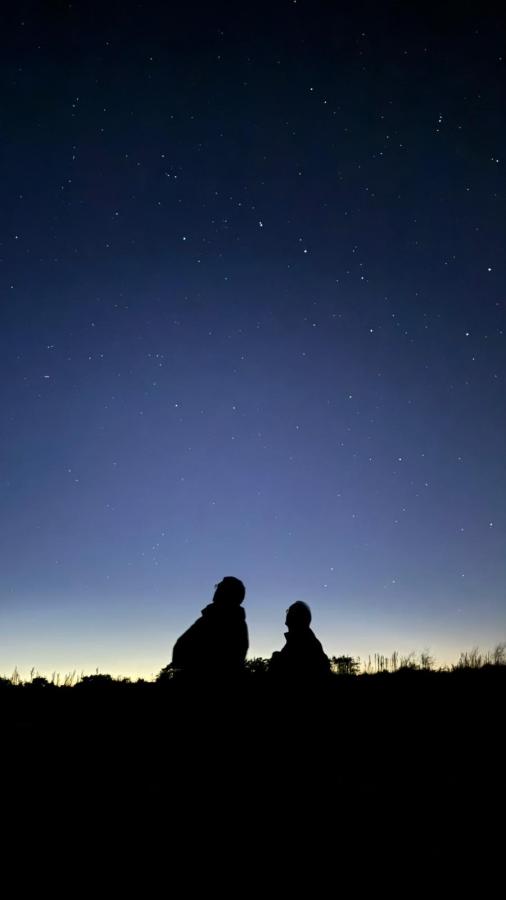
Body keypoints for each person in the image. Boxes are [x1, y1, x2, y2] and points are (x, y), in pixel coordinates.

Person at [171, 577, 248, 676]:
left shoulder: (228, 622)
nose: (217, 590)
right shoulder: (211, 616)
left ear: (227, 593)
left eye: (220, 587)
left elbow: (230, 659)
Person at [270, 601, 330, 679]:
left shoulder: (305, 643)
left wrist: (278, 661)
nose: (287, 615)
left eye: (289, 612)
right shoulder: (299, 640)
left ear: (297, 617)